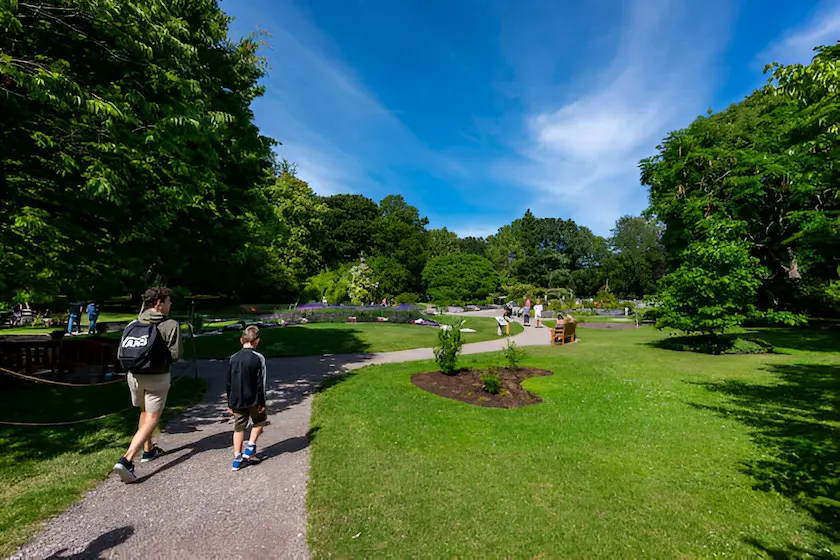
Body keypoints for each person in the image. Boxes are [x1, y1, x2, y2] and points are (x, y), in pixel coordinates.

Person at [112, 287, 182, 483]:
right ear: (159, 303)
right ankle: (126, 460)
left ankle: (149, 449)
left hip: (134, 376)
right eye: (168, 301)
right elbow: (175, 355)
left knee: (144, 411)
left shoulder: (134, 323)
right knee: (152, 417)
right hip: (157, 377)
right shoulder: (170, 325)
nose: (170, 305)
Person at [227, 325, 268, 471]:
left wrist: (229, 402)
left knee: (239, 427)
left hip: (236, 399)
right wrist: (262, 402)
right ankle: (250, 446)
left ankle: (237, 459)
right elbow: (260, 382)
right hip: (253, 399)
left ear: (241, 339)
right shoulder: (258, 358)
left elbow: (229, 382)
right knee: (260, 421)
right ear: (257, 341)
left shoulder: (233, 358)